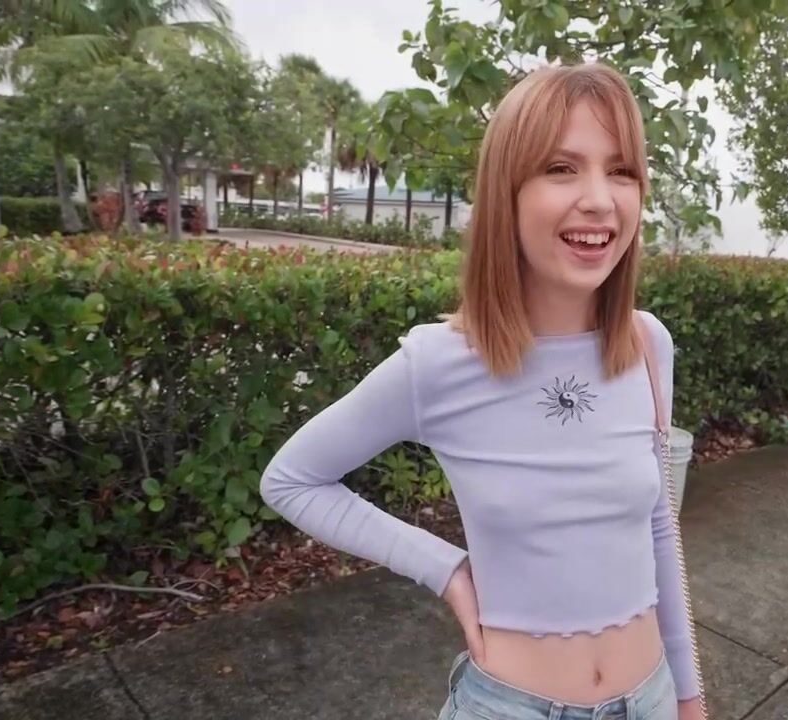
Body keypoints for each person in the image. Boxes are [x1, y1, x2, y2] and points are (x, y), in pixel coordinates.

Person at [260, 60, 703, 720]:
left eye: (621, 171)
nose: (599, 199)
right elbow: (292, 479)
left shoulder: (647, 344)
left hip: (653, 698)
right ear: (507, 192)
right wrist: (445, 569)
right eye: (562, 168)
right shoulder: (438, 362)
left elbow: (659, 530)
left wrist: (689, 698)